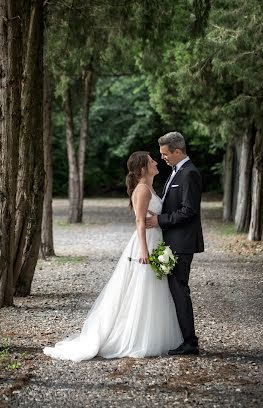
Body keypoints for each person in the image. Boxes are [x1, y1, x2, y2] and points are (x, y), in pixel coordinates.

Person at [43, 151, 183, 362]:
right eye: (151, 161)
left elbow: (149, 216)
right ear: (143, 168)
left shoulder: (148, 187)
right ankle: (134, 337)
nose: (156, 163)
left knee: (151, 288)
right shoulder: (143, 189)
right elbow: (139, 221)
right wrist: (144, 250)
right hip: (146, 242)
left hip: (155, 240)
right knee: (142, 288)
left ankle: (149, 333)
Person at [146, 131, 204, 356]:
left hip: (181, 243)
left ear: (178, 151)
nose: (163, 158)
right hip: (172, 241)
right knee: (176, 290)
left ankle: (190, 342)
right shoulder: (175, 172)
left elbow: (189, 211)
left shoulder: (190, 174)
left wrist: (159, 221)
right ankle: (183, 338)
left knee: (180, 291)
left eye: (165, 154)